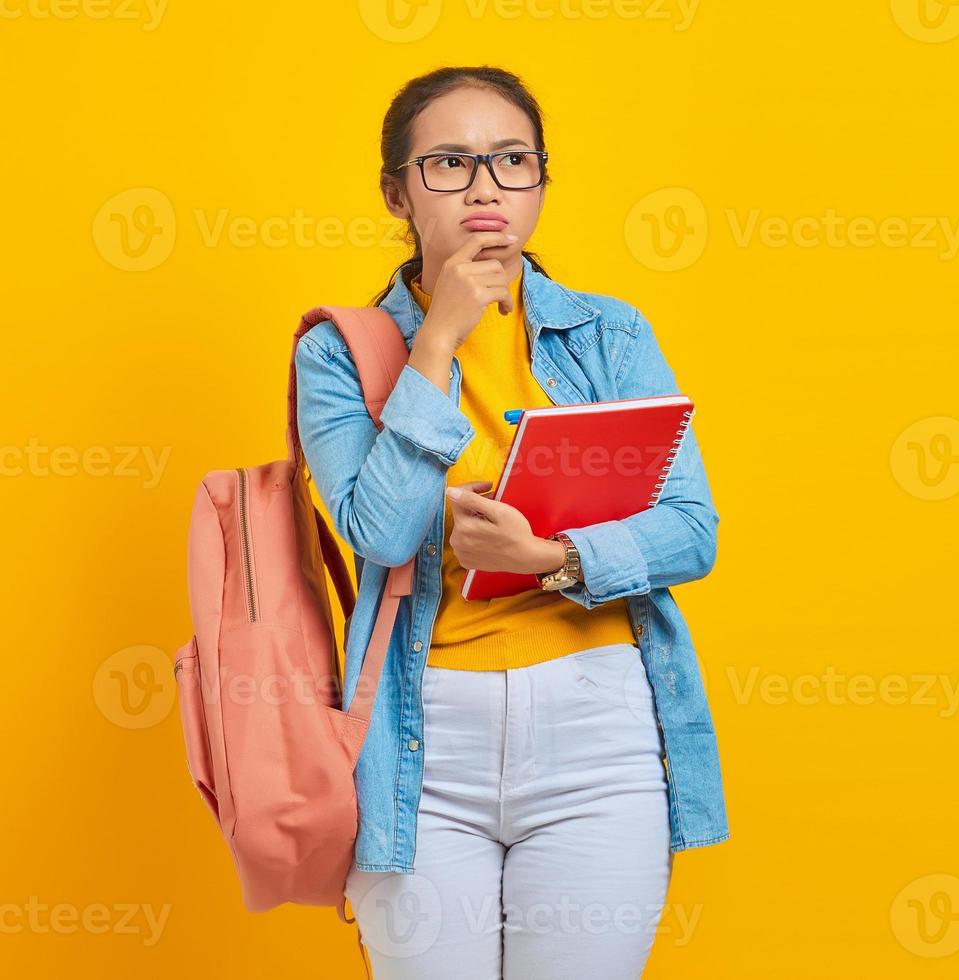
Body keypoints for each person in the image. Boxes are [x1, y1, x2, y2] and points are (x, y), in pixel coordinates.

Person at [293, 65, 730, 979]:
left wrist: (553, 556)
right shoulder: (339, 350)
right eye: (448, 162)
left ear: (539, 181)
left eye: (511, 160)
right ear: (396, 193)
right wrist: (437, 341)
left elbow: (692, 529)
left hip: (599, 729)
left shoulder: (611, 334)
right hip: (421, 746)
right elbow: (376, 533)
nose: (485, 185)